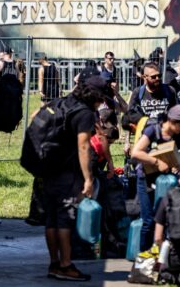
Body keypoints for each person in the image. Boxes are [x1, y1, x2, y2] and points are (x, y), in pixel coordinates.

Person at [42, 74, 108, 281]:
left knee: (51, 219)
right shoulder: (85, 113)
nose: (103, 102)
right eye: (102, 97)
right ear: (95, 95)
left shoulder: (62, 101)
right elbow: (83, 146)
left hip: (48, 168)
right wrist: (88, 178)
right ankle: (66, 265)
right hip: (67, 174)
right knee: (65, 220)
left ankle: (54, 263)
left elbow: (37, 115)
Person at [131, 105, 180, 251]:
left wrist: (178, 165)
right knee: (148, 220)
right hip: (146, 179)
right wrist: (157, 162)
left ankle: (163, 255)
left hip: (167, 182)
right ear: (172, 121)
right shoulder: (152, 130)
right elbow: (136, 153)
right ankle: (144, 255)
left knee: (166, 219)